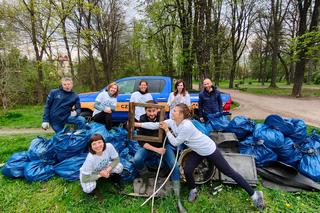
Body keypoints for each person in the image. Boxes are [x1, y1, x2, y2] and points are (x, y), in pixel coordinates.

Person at [134, 103, 265, 211]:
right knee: (187, 170)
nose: (172, 112)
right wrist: (137, 125)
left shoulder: (187, 126)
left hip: (209, 149)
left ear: (181, 114)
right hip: (197, 150)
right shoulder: (172, 121)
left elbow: (175, 142)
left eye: (175, 111)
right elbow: (156, 124)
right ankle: (193, 189)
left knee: (229, 172)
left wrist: (167, 131)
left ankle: (254, 195)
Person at [133, 100, 186, 213]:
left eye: (153, 110)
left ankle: (178, 199)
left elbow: (172, 128)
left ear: (157, 109)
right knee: (137, 159)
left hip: (164, 146)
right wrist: (156, 150)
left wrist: (171, 130)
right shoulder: (142, 119)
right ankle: (145, 180)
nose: (152, 113)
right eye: (149, 111)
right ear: (145, 110)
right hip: (149, 147)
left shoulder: (163, 117)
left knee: (174, 166)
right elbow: (142, 142)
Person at [80, 134, 123, 198]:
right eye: (94, 144)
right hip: (91, 173)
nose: (98, 146)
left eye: (99, 142)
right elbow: (84, 179)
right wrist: (100, 175)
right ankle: (94, 192)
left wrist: (107, 170)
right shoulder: (90, 158)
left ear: (103, 142)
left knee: (120, 167)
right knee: (88, 189)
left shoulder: (109, 146)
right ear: (90, 147)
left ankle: (115, 180)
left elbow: (117, 160)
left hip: (104, 167)